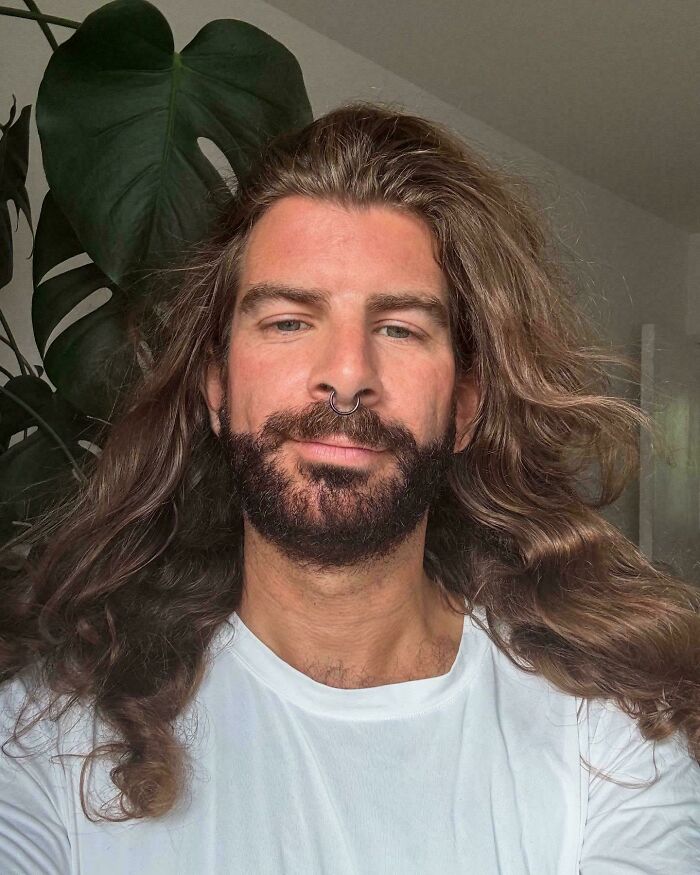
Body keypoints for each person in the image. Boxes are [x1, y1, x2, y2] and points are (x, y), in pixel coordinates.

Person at [0, 101, 698, 874]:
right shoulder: (46, 732)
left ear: (465, 406)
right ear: (216, 384)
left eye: (400, 328)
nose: (346, 374)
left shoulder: (614, 735)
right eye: (288, 321)